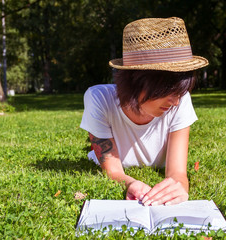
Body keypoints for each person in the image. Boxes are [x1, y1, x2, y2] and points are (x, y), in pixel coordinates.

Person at [80, 17, 208, 206]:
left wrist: (180, 186)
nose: (176, 101)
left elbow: (177, 173)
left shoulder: (181, 101)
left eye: (181, 91)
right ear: (137, 80)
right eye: (168, 90)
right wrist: (131, 183)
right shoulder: (99, 99)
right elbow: (114, 171)